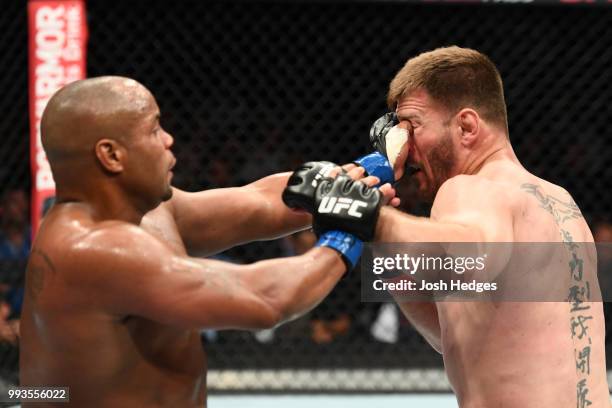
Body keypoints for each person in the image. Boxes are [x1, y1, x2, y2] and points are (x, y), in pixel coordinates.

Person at [19, 76, 394, 407]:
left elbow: (260, 203)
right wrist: (348, 233)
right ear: (111, 155)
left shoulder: (151, 211)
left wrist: (377, 166)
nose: (169, 139)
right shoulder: (93, 250)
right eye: (153, 130)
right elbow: (265, 299)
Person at [286, 46, 610, 407]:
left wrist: (371, 216)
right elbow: (451, 333)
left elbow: (477, 252)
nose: (403, 145)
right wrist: (385, 246)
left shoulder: (471, 188)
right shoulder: (559, 202)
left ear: (466, 126)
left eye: (412, 125)